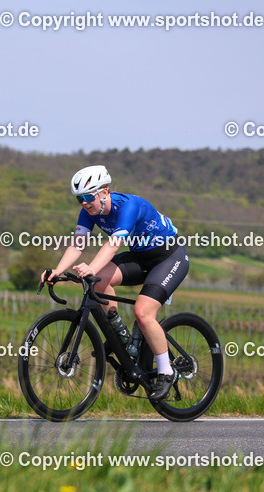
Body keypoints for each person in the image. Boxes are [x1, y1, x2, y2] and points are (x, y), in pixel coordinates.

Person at [42, 165, 188, 400]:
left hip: (169, 257)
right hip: (140, 257)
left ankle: (166, 371)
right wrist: (57, 270)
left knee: (143, 312)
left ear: (104, 191)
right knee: (97, 282)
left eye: (88, 196)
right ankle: (120, 336)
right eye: (79, 198)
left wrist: (91, 266)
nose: (84, 203)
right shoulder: (88, 211)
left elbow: (114, 244)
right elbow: (78, 244)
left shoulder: (129, 206)